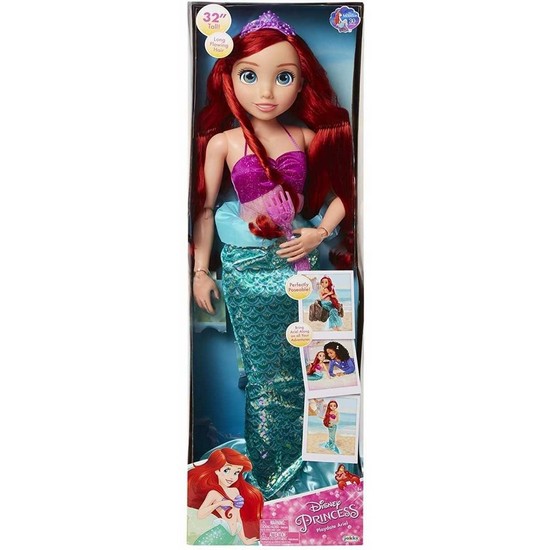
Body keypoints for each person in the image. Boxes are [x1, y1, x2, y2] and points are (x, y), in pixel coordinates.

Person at [191, 11, 354, 498]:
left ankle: (313, 469)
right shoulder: (223, 143)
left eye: (283, 77)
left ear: (302, 83)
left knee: (314, 372)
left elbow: (346, 194)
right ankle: (271, 480)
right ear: (229, 78)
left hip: (299, 267)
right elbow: (205, 209)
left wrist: (318, 233)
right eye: (250, 76)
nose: (266, 92)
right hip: (246, 271)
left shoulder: (304, 136)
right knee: (264, 377)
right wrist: (200, 270)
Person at [188, 448, 263, 545]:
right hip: (218, 534)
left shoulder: (235, 491)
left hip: (232, 534)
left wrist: (245, 539)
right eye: (227, 470)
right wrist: (220, 503)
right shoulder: (214, 493)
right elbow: (201, 514)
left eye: (236, 472)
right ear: (217, 470)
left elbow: (237, 517)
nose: (232, 477)